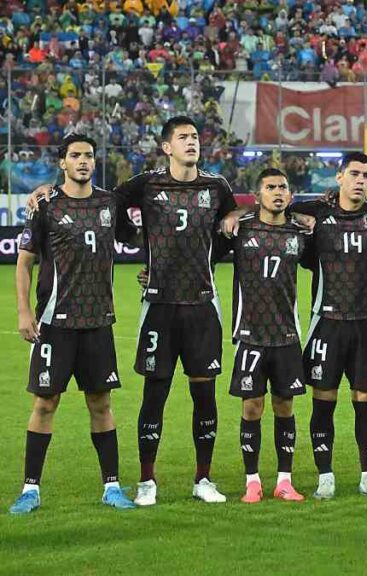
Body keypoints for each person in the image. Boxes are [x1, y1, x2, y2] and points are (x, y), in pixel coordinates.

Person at [9, 134, 137, 515]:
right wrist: (23, 311)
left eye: (89, 155)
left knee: (101, 401)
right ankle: (30, 489)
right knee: (45, 402)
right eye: (75, 155)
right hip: (54, 322)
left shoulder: (109, 203)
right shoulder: (46, 205)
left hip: (98, 321)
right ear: (62, 162)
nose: (83, 161)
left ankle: (112, 487)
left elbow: (141, 239)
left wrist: (151, 271)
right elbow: (25, 261)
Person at [116, 116, 237, 505]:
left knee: (205, 396)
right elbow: (110, 202)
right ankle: (147, 482)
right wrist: (135, 241)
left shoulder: (217, 187)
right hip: (160, 305)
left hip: (203, 305)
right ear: (166, 147)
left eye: (195, 137)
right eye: (183, 137)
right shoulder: (147, 183)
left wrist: (227, 228)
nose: (191, 142)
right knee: (155, 394)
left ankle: (203, 480)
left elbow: (230, 224)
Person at [288, 152, 367, 499]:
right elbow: (284, 208)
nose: (360, 180)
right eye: (354, 173)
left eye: (366, 175)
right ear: (338, 177)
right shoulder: (318, 214)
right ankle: (325, 477)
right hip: (325, 321)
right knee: (323, 399)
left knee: (365, 399)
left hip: (366, 320)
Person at [227, 168, 311, 503]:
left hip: (287, 335)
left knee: (284, 407)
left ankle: (285, 480)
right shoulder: (240, 229)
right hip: (250, 334)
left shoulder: (300, 234)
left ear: (290, 195)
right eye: (270, 187)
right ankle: (252, 481)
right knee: (252, 407)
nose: (277, 191)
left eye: (283, 187)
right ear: (258, 194)